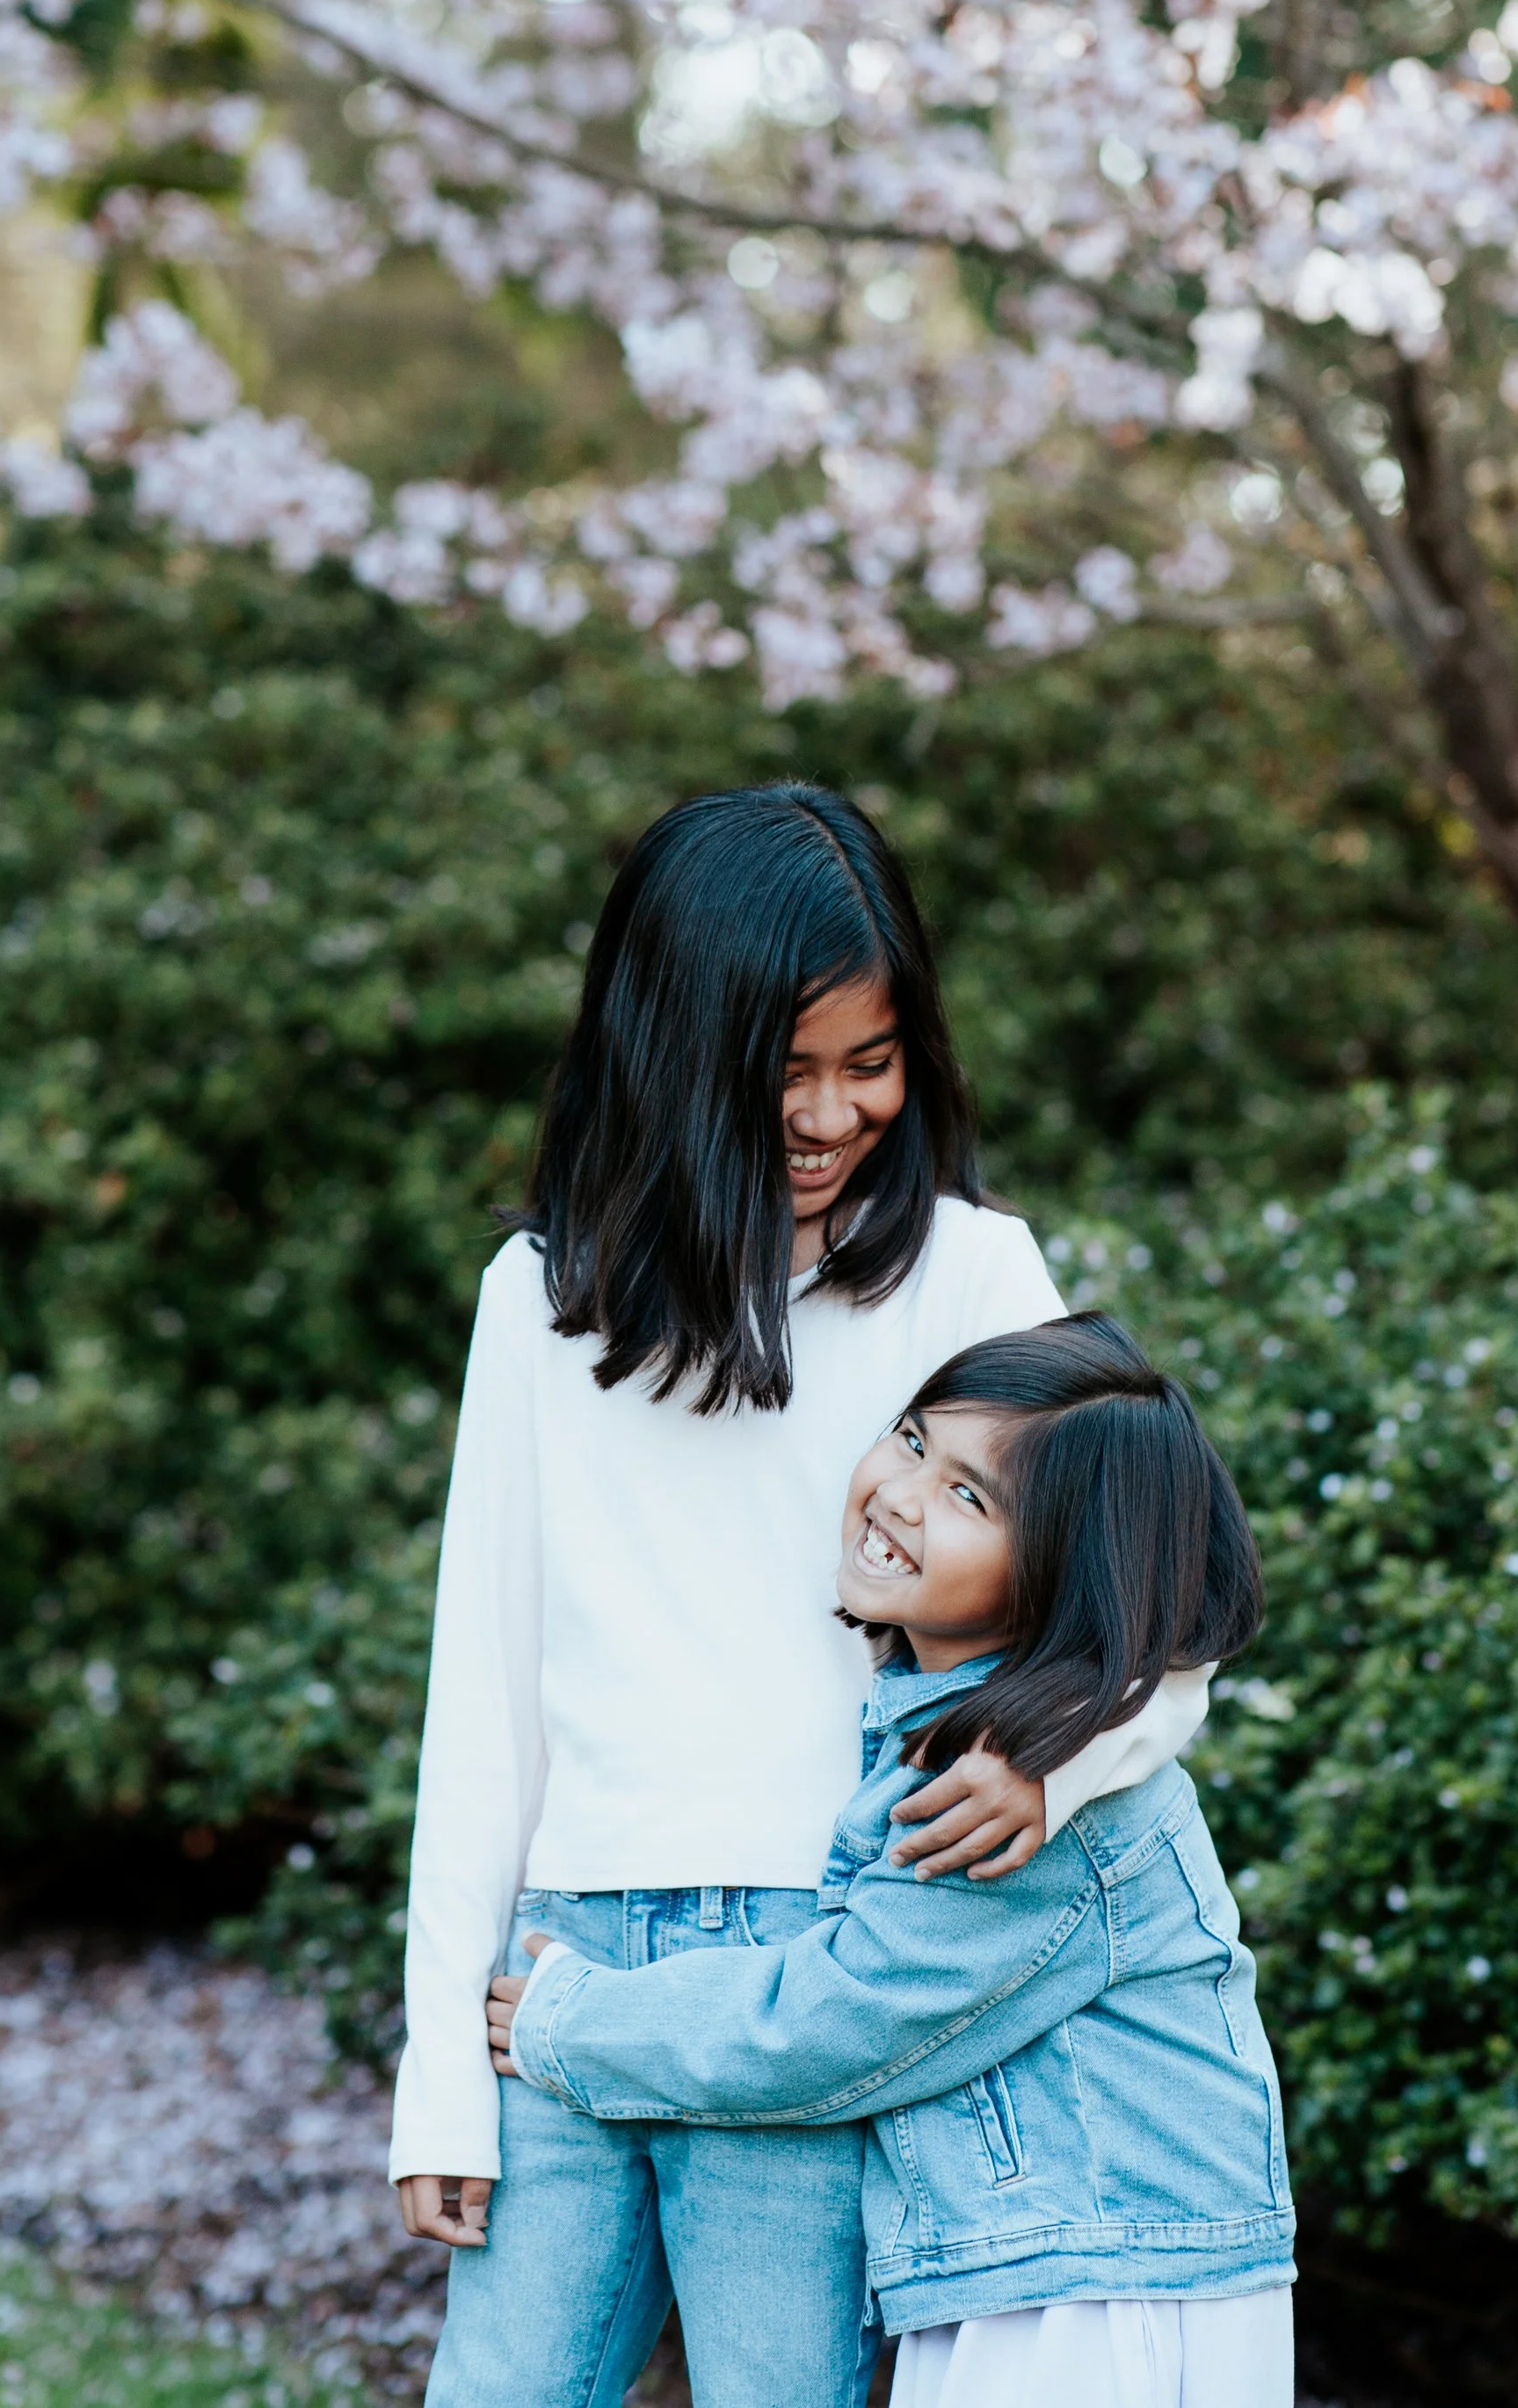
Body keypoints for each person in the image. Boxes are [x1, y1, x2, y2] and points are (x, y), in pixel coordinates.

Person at [393, 786, 1215, 2408]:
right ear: (671, 1050)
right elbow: (478, 1703)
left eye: (873, 1062)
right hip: (556, 1974)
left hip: (811, 1974)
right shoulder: (539, 1303)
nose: (834, 1114)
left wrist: (1050, 1763)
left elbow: (1152, 1630)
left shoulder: (974, 1275)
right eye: (784, 1071)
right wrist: (438, 2063)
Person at [491, 1317, 1294, 2408]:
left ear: (1068, 1569)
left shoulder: (1008, 1800)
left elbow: (831, 2021)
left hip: (1105, 2282)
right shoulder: (958, 1734)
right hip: (1039, 2263)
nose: (902, 1495)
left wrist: (569, 2018)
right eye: (913, 1441)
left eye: (971, 1497)